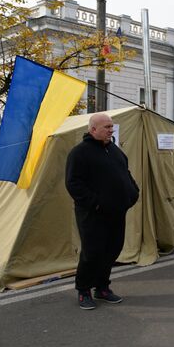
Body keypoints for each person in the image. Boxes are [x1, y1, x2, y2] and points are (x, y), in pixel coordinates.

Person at [65, 113, 139, 310]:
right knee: (92, 252)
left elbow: (126, 173)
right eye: (107, 127)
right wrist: (96, 204)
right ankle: (83, 290)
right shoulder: (79, 153)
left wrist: (133, 193)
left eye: (112, 126)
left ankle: (102, 287)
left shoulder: (114, 150)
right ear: (93, 129)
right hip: (93, 214)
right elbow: (73, 184)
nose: (111, 130)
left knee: (112, 249)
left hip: (117, 212)